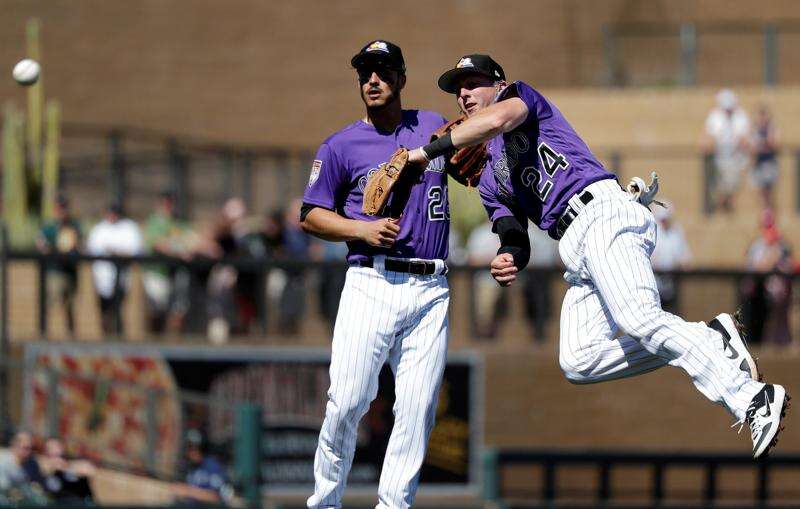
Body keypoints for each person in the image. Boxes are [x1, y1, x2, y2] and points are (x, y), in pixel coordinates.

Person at [407, 54, 789, 458]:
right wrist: (508, 256)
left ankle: (750, 397)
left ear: (499, 84)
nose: (464, 93)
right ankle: (706, 337)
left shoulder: (520, 99)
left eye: (473, 83)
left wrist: (427, 151)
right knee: (579, 360)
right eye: (458, 89)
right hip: (574, 246)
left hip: (602, 212)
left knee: (640, 319)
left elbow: (499, 120)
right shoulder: (487, 180)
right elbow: (513, 234)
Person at [300, 40, 450, 508]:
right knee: (347, 402)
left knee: (417, 408)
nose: (372, 80)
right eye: (365, 72)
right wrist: (361, 230)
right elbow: (309, 215)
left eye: (383, 71)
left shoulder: (432, 125)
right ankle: (325, 502)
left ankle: (394, 505)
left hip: (431, 286)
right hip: (372, 281)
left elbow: (476, 164)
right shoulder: (341, 145)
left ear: (402, 79)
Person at [86, 204, 144, 335]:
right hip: (102, 280)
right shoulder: (99, 229)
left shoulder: (129, 228)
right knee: (105, 314)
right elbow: (91, 251)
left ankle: (119, 340)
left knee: (118, 312)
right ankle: (107, 343)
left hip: (122, 279)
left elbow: (136, 250)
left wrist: (116, 252)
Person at [142, 191, 194, 334]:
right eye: (165, 203)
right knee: (157, 310)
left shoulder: (179, 222)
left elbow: (190, 240)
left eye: (170, 203)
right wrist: (179, 250)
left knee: (179, 310)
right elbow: (158, 244)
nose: (167, 206)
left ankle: (175, 340)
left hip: (176, 272)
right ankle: (155, 341)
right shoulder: (154, 222)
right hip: (157, 272)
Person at [36, 196, 82, 335]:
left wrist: (76, 246)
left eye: (64, 207)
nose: (62, 211)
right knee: (52, 303)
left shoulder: (74, 225)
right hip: (55, 271)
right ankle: (44, 334)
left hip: (71, 271)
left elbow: (81, 245)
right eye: (59, 208)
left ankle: (71, 337)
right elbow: (40, 244)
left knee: (71, 306)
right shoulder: (49, 227)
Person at [702, 89, 751, 213]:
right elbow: (707, 136)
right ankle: (722, 207)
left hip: (736, 158)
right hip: (719, 158)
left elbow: (744, 138)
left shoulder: (741, 116)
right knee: (721, 187)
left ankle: (724, 206)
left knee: (731, 186)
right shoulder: (715, 116)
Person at [465, 221, 506, 338]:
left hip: (509, 277)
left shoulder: (509, 228)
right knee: (485, 309)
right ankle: (484, 335)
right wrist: (493, 261)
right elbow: (472, 259)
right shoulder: (480, 233)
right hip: (485, 278)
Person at [650, 202, 691, 314]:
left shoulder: (676, 233)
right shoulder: (651, 232)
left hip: (671, 286)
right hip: (653, 287)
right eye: (661, 219)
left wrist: (679, 264)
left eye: (665, 219)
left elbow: (686, 259)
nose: (664, 222)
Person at [172, 430, 231, 505]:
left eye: (194, 448)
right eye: (189, 448)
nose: (191, 452)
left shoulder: (212, 466)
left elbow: (216, 497)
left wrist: (188, 491)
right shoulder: (187, 466)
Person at [37, 437, 95, 502]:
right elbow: (43, 468)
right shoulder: (44, 464)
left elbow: (90, 470)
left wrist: (65, 466)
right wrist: (53, 465)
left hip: (80, 502)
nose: (53, 450)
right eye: (49, 448)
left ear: (62, 448)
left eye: (56, 447)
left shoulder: (71, 460)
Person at [751, 105, 780, 209]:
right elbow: (752, 147)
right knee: (760, 193)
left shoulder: (771, 128)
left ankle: (771, 219)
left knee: (770, 193)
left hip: (769, 163)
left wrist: (763, 143)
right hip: (758, 163)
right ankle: (764, 218)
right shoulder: (754, 129)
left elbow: (774, 144)